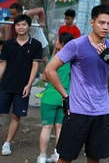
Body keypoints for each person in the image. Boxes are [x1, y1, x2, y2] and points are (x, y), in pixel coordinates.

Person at [43, 4, 109, 163]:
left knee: (94, 158)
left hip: (101, 112)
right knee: (65, 158)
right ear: (92, 22)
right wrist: (65, 96)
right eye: (101, 22)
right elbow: (49, 70)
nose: (105, 27)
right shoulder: (77, 45)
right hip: (78, 111)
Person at [0, 14, 43, 156]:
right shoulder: (8, 44)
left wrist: (29, 85)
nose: (21, 27)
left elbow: (35, 66)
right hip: (5, 84)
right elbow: (3, 64)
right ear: (15, 27)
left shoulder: (36, 45)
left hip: (22, 87)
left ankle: (7, 143)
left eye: (24, 24)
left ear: (29, 26)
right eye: (18, 25)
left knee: (16, 115)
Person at [38, 33, 74, 163]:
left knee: (46, 127)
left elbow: (44, 78)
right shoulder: (73, 60)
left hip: (49, 97)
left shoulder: (56, 59)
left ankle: (42, 156)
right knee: (60, 127)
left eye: (58, 40)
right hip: (65, 98)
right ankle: (57, 155)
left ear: (62, 43)